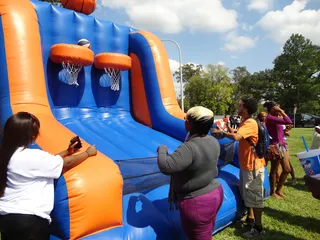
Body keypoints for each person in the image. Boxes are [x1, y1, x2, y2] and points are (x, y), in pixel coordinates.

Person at [0, 112, 97, 240]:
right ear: (32, 137)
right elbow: (66, 164)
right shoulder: (31, 156)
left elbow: (42, 164)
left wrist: (67, 152)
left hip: (5, 219)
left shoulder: (6, 155)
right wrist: (87, 153)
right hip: (29, 221)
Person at [157, 106, 223, 240]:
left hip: (198, 203)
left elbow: (166, 166)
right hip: (215, 192)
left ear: (189, 124)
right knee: (206, 232)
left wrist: (162, 150)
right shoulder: (213, 141)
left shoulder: (190, 147)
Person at [212, 98, 265, 238]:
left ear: (246, 109)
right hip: (247, 165)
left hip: (252, 166)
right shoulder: (245, 122)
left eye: (240, 105)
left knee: (255, 197)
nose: (238, 106)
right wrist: (227, 128)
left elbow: (236, 137)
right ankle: (251, 220)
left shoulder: (250, 123)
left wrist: (223, 134)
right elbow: (237, 133)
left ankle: (258, 228)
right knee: (248, 194)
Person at [263, 102, 292, 199]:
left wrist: (285, 131)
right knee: (274, 170)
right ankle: (273, 192)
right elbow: (288, 121)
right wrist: (282, 111)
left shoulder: (277, 118)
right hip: (275, 146)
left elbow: (285, 126)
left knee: (287, 169)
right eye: (277, 107)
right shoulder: (270, 117)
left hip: (282, 145)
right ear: (272, 109)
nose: (279, 109)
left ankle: (278, 190)